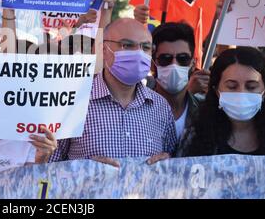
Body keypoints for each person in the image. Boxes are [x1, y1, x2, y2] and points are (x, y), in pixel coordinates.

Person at [50, 18, 177, 165]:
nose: (138, 53)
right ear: (104, 50)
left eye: (146, 47)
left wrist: (167, 163)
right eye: (127, 45)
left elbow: (173, 165)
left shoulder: (161, 107)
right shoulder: (71, 101)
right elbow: (49, 168)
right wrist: (83, 169)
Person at [180, 47, 265, 156]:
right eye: (232, 86)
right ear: (217, 91)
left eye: (251, 87)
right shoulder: (195, 136)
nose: (241, 94)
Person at [150, 23, 207, 155]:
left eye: (183, 59)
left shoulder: (205, 112)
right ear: (153, 64)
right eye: (165, 59)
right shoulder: (136, 111)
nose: (174, 65)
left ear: (193, 64)